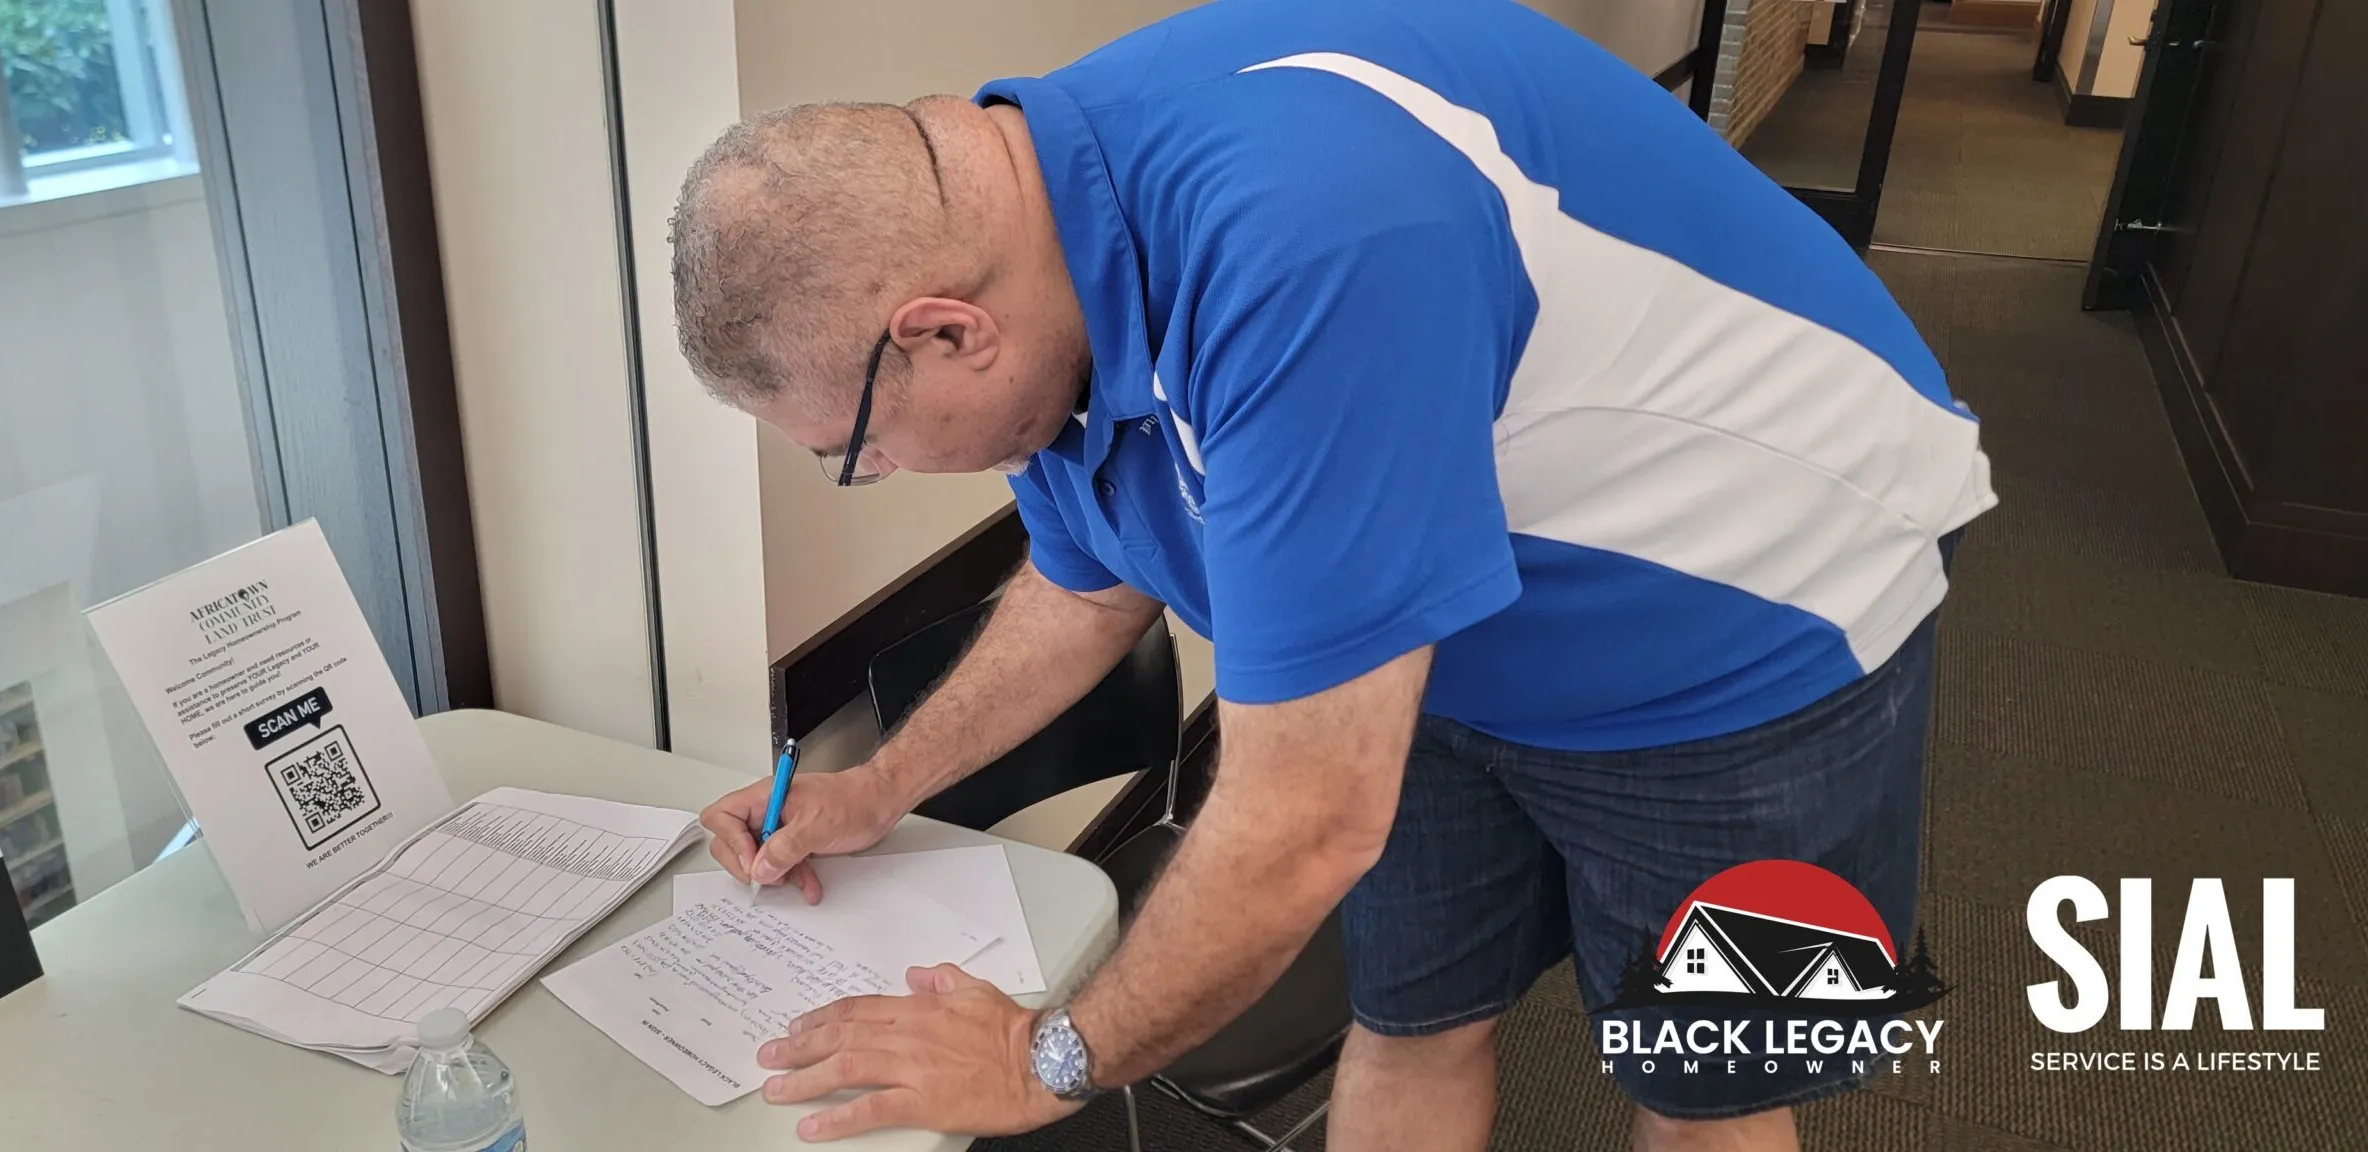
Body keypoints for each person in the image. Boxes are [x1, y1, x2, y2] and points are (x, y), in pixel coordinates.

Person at [669, 0, 1993, 1147]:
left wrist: (1042, 1062)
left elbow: (1303, 823)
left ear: (947, 332)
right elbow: (1085, 588)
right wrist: (879, 785)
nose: (884, 469)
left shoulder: (1308, 242)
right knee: (1411, 1020)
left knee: (1705, 1086)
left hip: (1757, 621)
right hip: (1439, 635)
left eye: (857, 450)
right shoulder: (1026, 237)